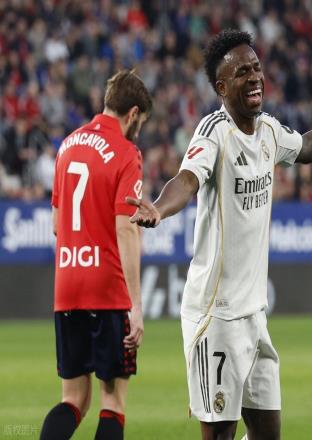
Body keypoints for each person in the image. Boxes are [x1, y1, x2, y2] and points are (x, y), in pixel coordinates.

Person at [127, 29, 312, 439]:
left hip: (254, 315)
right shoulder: (214, 132)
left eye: (256, 68)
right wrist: (159, 209)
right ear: (221, 88)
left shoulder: (268, 130)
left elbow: (306, 147)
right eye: (241, 72)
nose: (254, 76)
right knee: (220, 434)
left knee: (269, 433)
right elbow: (187, 179)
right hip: (216, 315)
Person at [40, 70, 152, 440]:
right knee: (112, 402)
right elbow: (126, 228)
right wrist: (136, 305)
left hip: (67, 285)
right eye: (141, 123)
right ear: (133, 114)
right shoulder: (126, 153)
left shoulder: (67, 145)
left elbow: (57, 225)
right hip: (107, 288)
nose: (138, 131)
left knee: (73, 399)